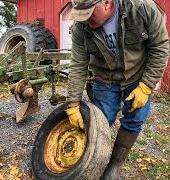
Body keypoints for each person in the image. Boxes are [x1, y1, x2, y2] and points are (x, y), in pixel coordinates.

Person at [65, 0, 169, 179]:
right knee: (101, 121)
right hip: (105, 78)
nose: (85, 20)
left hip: (138, 77)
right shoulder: (81, 28)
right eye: (81, 15)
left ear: (106, 3)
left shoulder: (141, 8)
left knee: (134, 120)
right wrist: (73, 102)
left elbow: (160, 48)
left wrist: (146, 86)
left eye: (89, 13)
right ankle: (92, 160)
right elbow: (78, 65)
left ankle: (114, 166)